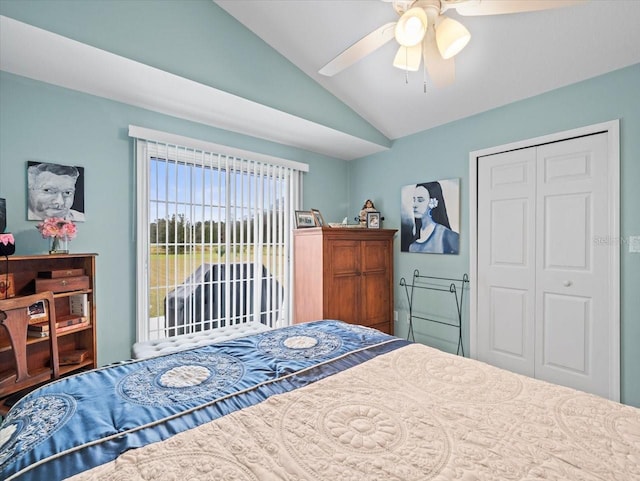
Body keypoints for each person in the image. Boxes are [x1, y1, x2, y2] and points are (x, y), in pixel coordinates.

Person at [405, 182, 459, 254]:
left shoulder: (448, 235)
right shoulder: (413, 245)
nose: (414, 205)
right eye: (414, 200)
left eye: (420, 200)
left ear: (432, 203)